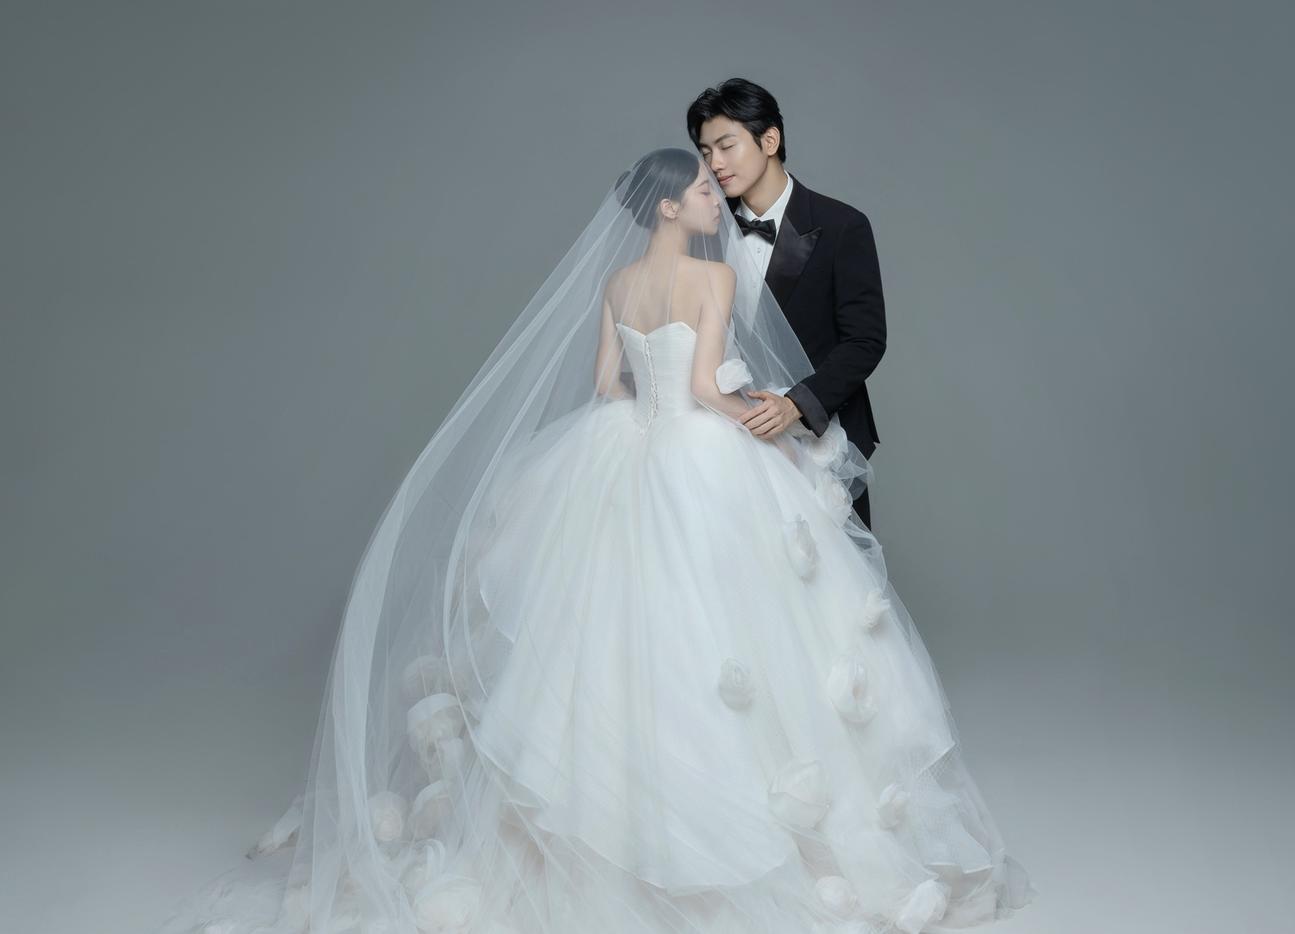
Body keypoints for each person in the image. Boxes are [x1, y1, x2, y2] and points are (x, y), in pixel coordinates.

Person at [158, 147, 1034, 934]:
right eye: (702, 188)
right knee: (730, 631)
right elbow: (705, 387)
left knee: (608, 639)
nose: (715, 196)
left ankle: (605, 824)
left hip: (623, 450)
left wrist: (644, 426)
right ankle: (721, 829)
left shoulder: (618, 284)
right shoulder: (712, 279)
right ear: (669, 207)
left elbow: (606, 381)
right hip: (697, 453)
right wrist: (765, 425)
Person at [688, 78, 886, 530]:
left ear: (770, 140)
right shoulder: (703, 232)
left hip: (819, 440)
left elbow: (865, 340)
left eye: (726, 146)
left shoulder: (842, 226)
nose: (714, 164)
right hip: (723, 443)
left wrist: (796, 404)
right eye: (705, 152)